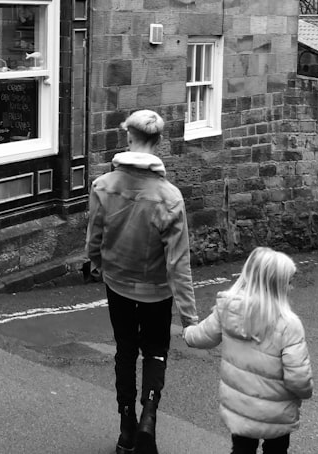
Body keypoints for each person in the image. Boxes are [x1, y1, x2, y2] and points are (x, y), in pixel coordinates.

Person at [86, 109, 198, 454]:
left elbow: (94, 238)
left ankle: (126, 427)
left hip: (118, 283)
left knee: (125, 351)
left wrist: (95, 263)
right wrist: (190, 317)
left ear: (128, 136)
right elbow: (179, 263)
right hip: (157, 292)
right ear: (158, 142)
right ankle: (149, 416)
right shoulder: (170, 197)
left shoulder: (104, 186)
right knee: (155, 351)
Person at [183, 247, 313, 454]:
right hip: (276, 413)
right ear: (275, 285)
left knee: (242, 449)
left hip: (240, 408)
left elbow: (201, 336)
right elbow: (298, 378)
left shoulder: (228, 308)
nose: (291, 288)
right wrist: (306, 392)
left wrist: (187, 331)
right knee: (276, 450)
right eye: (288, 282)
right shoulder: (289, 325)